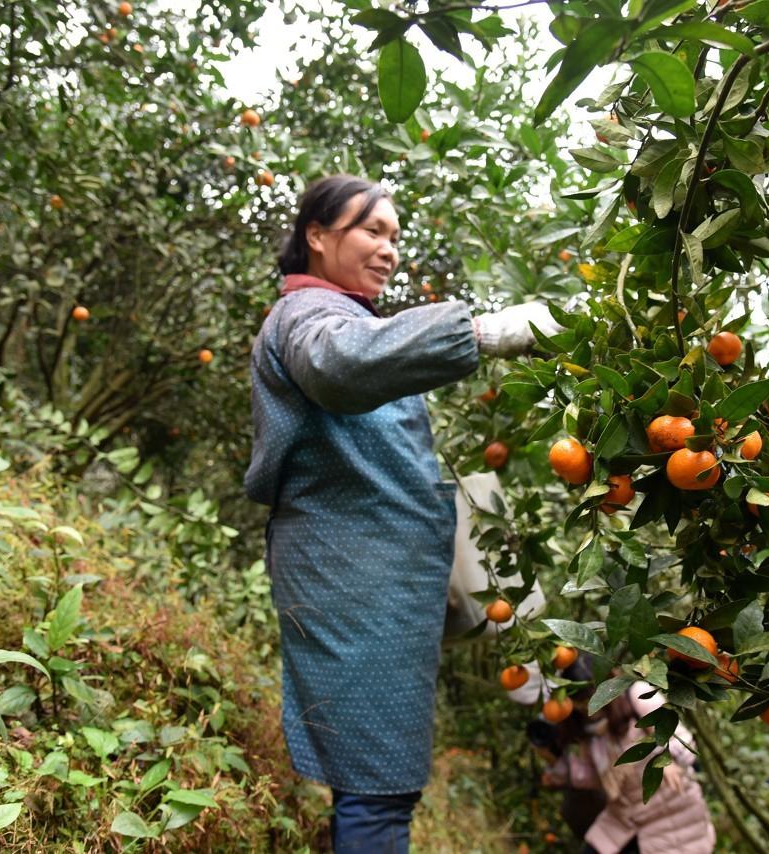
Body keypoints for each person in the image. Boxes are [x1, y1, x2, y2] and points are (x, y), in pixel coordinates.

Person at [243, 174, 563, 852]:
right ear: (318, 236)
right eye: (372, 231)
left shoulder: (353, 318)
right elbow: (340, 365)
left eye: (394, 236)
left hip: (374, 582)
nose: (389, 249)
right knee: (379, 786)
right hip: (351, 580)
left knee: (380, 781)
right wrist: (488, 331)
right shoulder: (309, 318)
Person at [532, 661, 717, 854]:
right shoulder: (589, 731)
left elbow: (680, 740)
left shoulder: (636, 695)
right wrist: (555, 767)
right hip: (623, 816)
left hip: (671, 816)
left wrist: (666, 758)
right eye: (580, 702)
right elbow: (591, 776)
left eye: (589, 698)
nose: (588, 707)